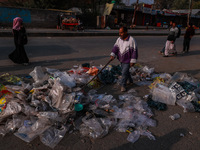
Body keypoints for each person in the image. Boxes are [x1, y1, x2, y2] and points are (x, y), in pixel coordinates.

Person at [110, 26, 138, 92]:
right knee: (126, 72)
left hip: (128, 60)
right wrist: (113, 54)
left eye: (121, 33)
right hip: (121, 59)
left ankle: (123, 85)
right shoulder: (119, 39)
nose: (120, 34)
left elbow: (134, 51)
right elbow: (115, 47)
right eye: (119, 32)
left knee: (124, 72)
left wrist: (133, 60)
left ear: (126, 32)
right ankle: (131, 81)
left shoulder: (131, 40)